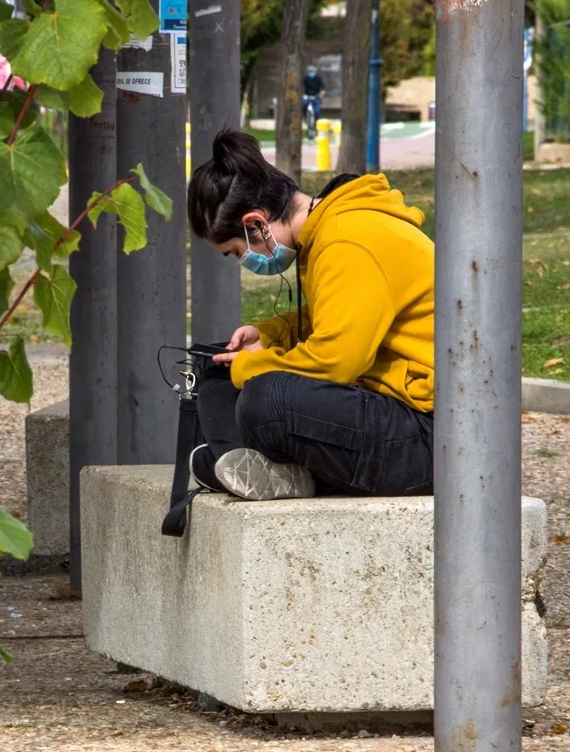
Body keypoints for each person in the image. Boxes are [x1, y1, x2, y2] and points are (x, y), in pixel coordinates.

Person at [184, 128, 434, 502]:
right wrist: (268, 335)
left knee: (267, 400)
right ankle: (243, 465)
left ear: (256, 223)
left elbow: (335, 361)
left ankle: (248, 465)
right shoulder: (328, 232)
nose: (242, 262)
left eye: (236, 252)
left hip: (430, 438)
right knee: (215, 364)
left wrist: (252, 366)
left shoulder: (349, 239)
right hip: (392, 413)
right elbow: (336, 316)